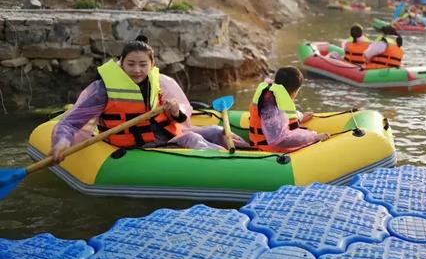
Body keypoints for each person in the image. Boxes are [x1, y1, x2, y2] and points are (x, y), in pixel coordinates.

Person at [51, 36, 247, 162]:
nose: (137, 70)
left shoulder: (157, 82)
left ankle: (257, 153)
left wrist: (175, 111)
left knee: (216, 130)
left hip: (162, 135)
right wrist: (61, 142)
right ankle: (233, 163)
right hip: (137, 144)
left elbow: (180, 119)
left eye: (143, 64)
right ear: (121, 64)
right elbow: (71, 123)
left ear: (152, 64)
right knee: (192, 137)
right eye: (131, 64)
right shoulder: (102, 89)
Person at [249, 67, 329, 152]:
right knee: (311, 144)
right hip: (267, 148)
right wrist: (314, 137)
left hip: (262, 141)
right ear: (294, 92)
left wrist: (300, 116)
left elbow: (282, 116)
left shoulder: (270, 94)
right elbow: (281, 140)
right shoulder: (270, 106)